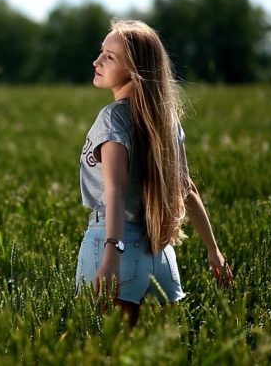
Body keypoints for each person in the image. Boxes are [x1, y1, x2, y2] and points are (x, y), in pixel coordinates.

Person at [75, 20, 233, 327]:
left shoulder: (112, 119)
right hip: (160, 254)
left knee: (107, 351)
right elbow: (186, 189)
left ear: (134, 69)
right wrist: (214, 251)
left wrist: (111, 257)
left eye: (110, 57)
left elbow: (115, 192)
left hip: (113, 247)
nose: (97, 61)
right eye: (100, 52)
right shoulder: (166, 119)